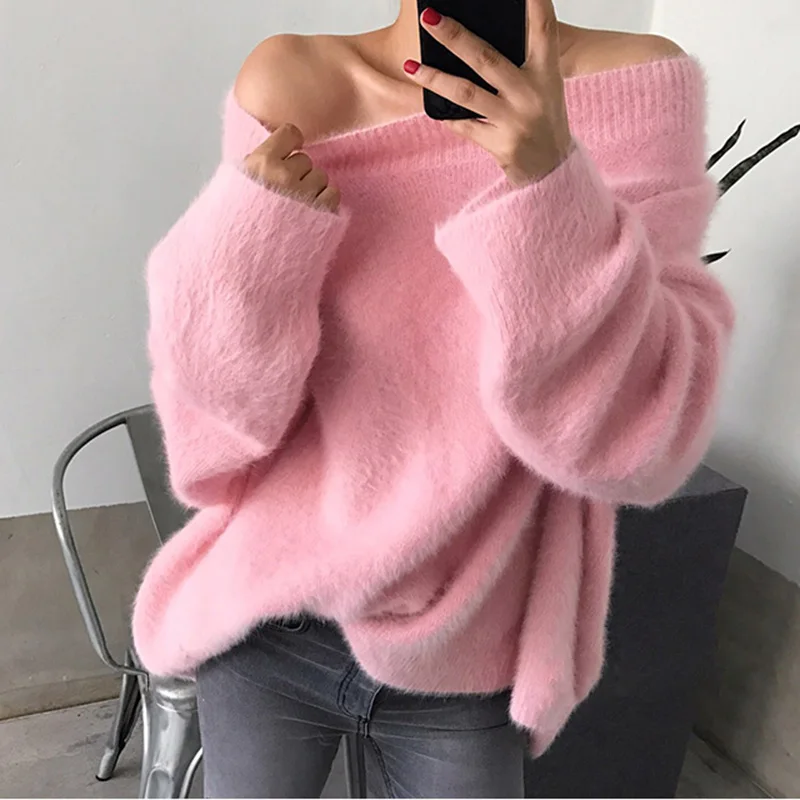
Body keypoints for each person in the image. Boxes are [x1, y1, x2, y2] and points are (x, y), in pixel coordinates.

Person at [132, 0, 735, 796]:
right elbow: (217, 428)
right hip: (268, 617)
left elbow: (638, 443)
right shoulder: (296, 81)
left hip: (470, 639)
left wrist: (551, 182)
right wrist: (250, 236)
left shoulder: (635, 85)